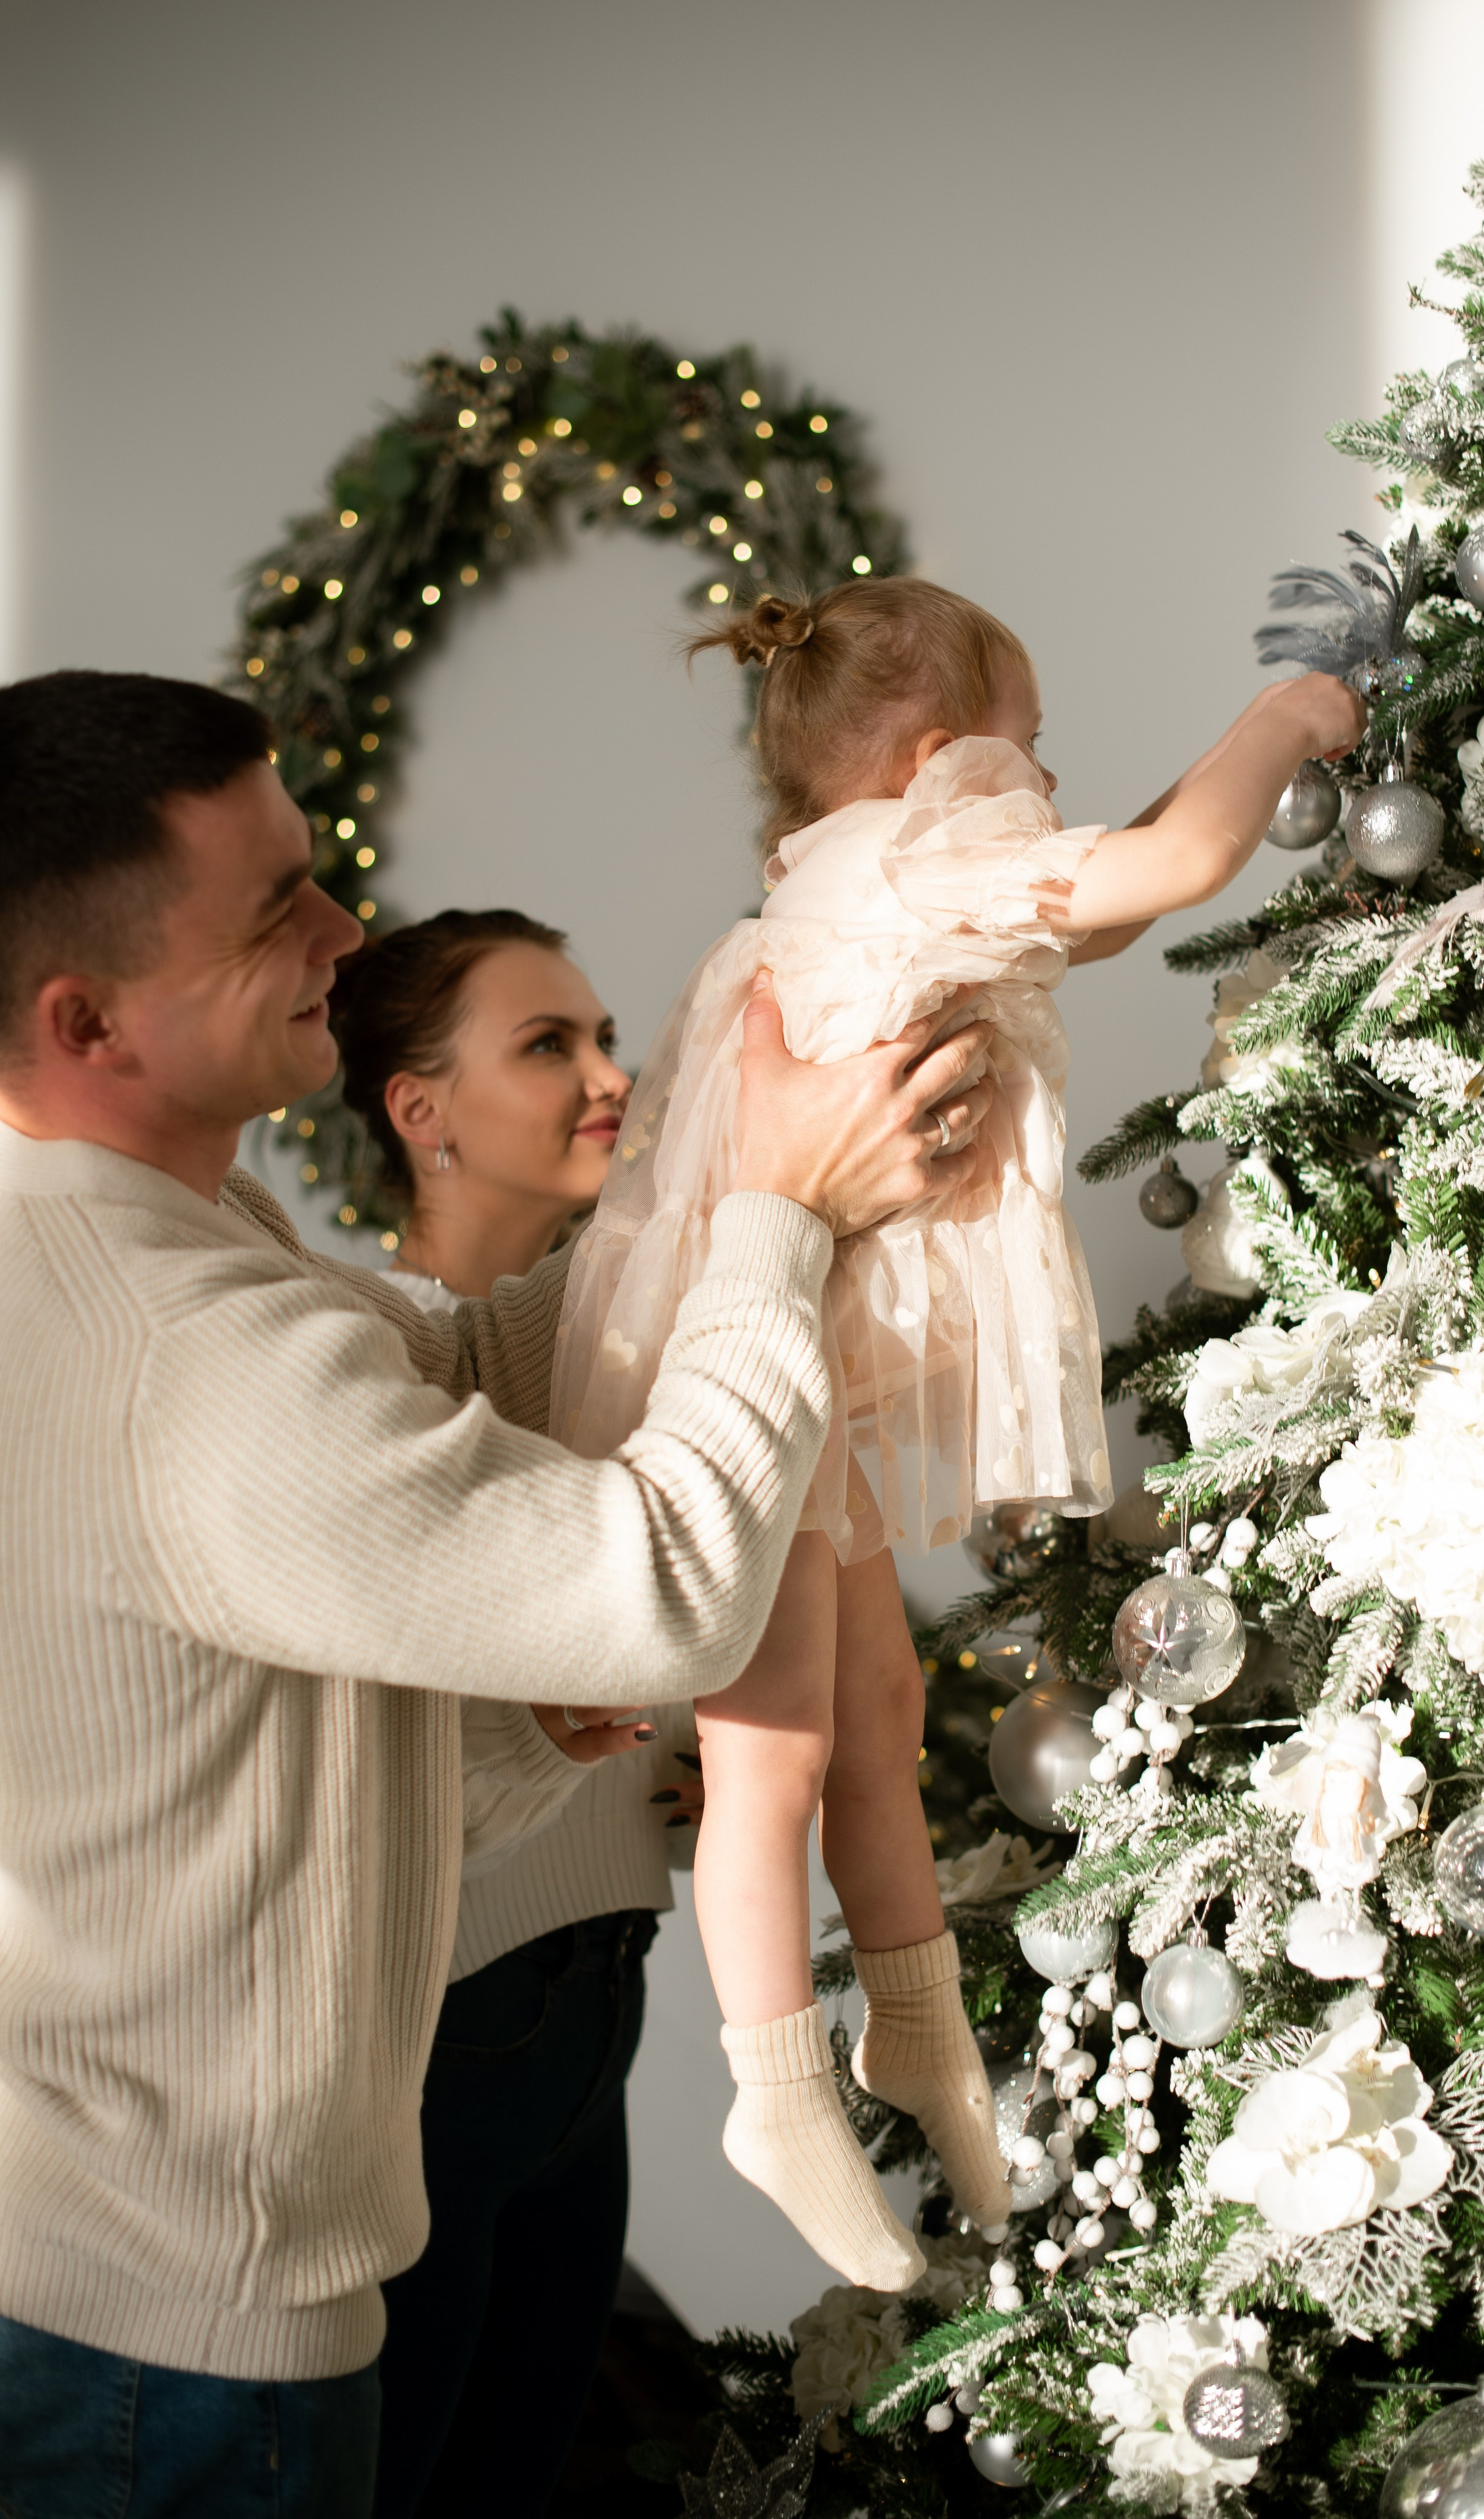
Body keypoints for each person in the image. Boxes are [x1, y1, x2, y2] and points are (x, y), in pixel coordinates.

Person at [0, 669, 995, 2518]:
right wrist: (773, 1220)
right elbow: (668, 1590)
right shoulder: (171, 1340)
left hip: (146, 2288)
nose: (341, 929)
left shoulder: (159, 1238)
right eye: (270, 912)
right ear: (88, 1020)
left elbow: (471, 1370)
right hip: (165, 2350)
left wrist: (765, 1169)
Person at [553, 579, 1364, 2288]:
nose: (1046, 780)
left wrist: (1199, 773)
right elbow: (1172, 877)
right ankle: (771, 2091)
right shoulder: (912, 866)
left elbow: (1109, 905)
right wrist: (1288, 716)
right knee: (771, 1753)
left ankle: (911, 2026)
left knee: (883, 1709)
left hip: (804, 1387)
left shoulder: (852, 884)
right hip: (757, 1384)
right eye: (1033, 746)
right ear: (940, 761)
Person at [326, 906, 683, 2516]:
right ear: (421, 1109)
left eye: (605, 1039)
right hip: (450, 2032)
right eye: (550, 1045)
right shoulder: (370, 1363)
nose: (608, 1078)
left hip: (595, 2004)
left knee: (516, 2482)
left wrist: (661, 1767)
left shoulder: (595, 1356)